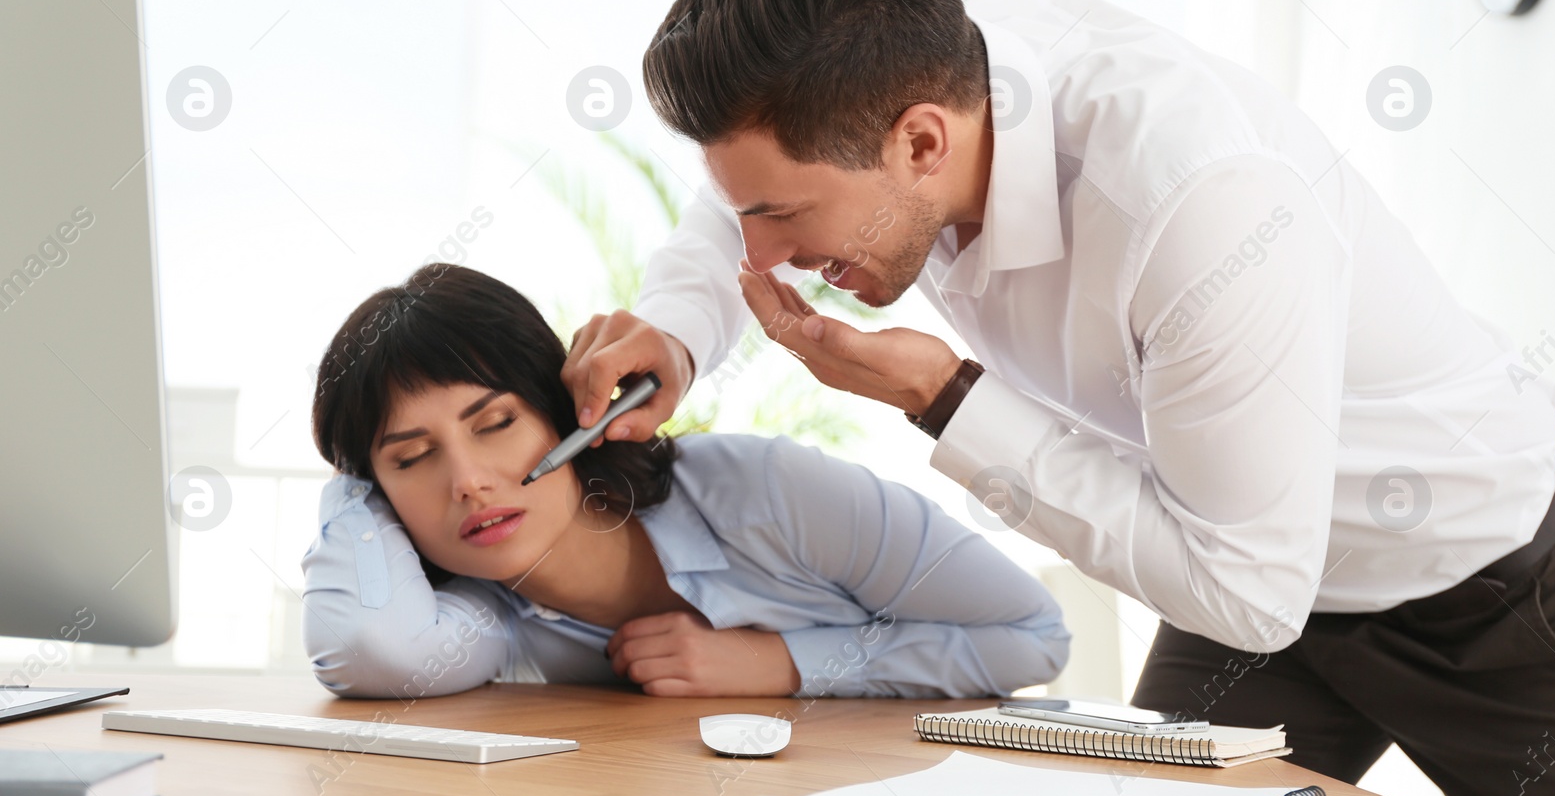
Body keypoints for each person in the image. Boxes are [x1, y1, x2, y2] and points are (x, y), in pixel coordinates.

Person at [559, 0, 1555, 796]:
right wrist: (676, 327)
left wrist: (946, 399)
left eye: (781, 218)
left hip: (1502, 598)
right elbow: (751, 179)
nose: (762, 252)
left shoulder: (1196, 202)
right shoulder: (889, 77)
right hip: (1251, 566)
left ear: (921, 140)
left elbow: (1247, 592)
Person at [298, 262, 1069, 702]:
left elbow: (1033, 637)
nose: (466, 481)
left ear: (571, 409)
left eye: (495, 423)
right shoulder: (478, 613)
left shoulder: (768, 491)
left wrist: (784, 664)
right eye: (411, 458)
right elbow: (374, 645)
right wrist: (353, 482)